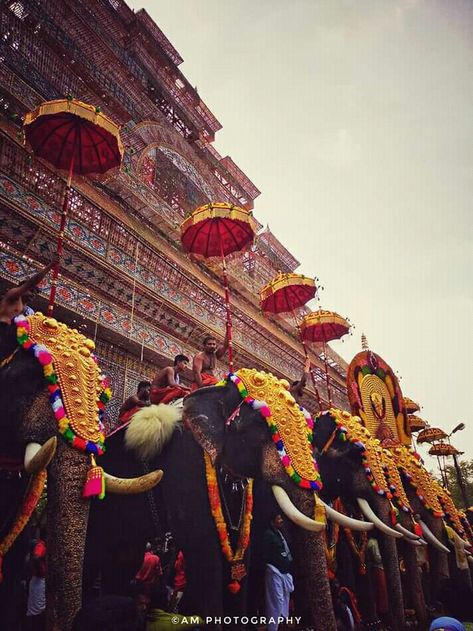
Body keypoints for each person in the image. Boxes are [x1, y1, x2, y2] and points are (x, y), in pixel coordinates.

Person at [0, 257, 57, 324]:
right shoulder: (13, 294)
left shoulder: (30, 312)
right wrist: (50, 266)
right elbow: (32, 281)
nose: (33, 294)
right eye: (31, 291)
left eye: (35, 294)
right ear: (23, 288)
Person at [263, 513, 294, 631]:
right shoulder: (268, 535)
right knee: (276, 602)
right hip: (274, 571)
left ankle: (282, 625)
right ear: (272, 522)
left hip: (284, 572)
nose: (281, 520)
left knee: (284, 601)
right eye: (279, 518)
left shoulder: (280, 533)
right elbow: (265, 554)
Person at [26, 538, 47, 631]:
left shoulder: (40, 545)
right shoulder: (40, 545)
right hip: (38, 581)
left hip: (38, 581)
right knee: (37, 610)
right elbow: (36, 557)